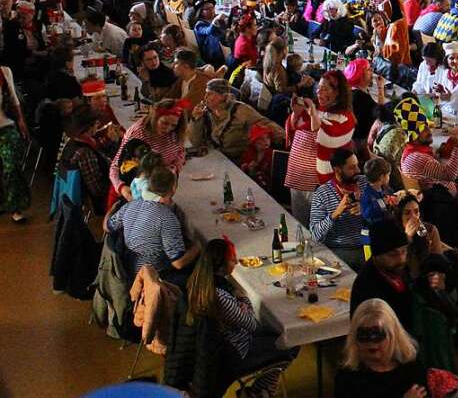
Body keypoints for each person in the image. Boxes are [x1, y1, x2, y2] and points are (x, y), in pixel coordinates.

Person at [185, 239, 298, 395]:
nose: (236, 262)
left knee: (278, 333)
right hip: (238, 351)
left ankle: (264, 389)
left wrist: (240, 304)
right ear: (221, 266)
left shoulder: (200, 283)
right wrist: (244, 299)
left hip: (225, 345)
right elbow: (252, 325)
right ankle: (259, 391)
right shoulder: (221, 296)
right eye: (232, 260)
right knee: (293, 341)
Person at [105, 166, 200, 279]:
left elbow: (106, 227)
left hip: (127, 270)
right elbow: (178, 263)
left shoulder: (130, 205)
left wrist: (111, 209)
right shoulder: (167, 218)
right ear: (173, 188)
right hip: (154, 277)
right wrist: (198, 247)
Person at [336, 298, 429, 398]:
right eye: (364, 335)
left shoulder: (411, 366)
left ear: (392, 335)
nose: (371, 343)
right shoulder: (348, 376)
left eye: (377, 334)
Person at [187, 78, 284, 163]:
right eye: (206, 93)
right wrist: (196, 120)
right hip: (215, 157)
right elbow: (196, 142)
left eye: (210, 94)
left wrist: (287, 141)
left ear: (224, 96)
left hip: (237, 161)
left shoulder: (241, 110)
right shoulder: (206, 111)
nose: (205, 97)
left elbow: (267, 124)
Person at [109, 98, 189, 200]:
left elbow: (181, 154)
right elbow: (115, 165)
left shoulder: (176, 133)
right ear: (155, 117)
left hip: (161, 185)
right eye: (164, 123)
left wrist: (173, 169)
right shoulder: (137, 133)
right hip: (135, 188)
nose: (168, 128)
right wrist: (121, 188)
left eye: (173, 125)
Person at [350, 220, 416, 330]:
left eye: (404, 251)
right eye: (392, 254)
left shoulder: (397, 270)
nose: (401, 259)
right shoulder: (367, 289)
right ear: (376, 256)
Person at [309, 148, 367, 269]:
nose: (358, 170)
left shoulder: (365, 182)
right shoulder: (322, 193)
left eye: (357, 165)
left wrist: (366, 207)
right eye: (352, 168)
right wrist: (335, 214)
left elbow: (388, 202)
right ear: (337, 170)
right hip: (341, 249)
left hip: (368, 244)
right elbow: (315, 234)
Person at [0, 58, 30, 222]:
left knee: (11, 168)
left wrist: (21, 120)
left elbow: (14, 98)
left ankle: (15, 207)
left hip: (7, 127)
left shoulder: (4, 72)